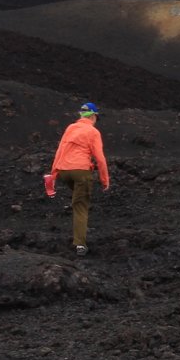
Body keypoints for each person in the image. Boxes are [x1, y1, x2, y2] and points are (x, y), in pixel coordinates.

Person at [49, 102, 110, 255]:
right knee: (81, 206)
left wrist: (53, 174)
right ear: (94, 116)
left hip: (64, 171)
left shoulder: (70, 128)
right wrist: (104, 179)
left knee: (79, 198)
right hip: (81, 171)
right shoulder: (93, 132)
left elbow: (60, 150)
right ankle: (80, 245)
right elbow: (100, 159)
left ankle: (80, 226)